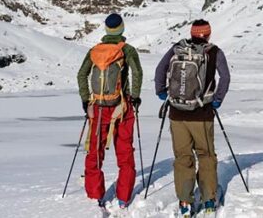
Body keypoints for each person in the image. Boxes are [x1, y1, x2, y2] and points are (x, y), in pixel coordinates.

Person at [154, 19, 231, 216]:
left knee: (183, 157)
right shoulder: (214, 52)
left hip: (177, 113)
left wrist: (162, 93)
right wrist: (217, 99)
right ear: (208, 34)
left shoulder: (177, 48)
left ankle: (185, 202)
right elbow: (225, 77)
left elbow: (160, 70)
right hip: (202, 114)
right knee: (206, 156)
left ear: (192, 32)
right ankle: (208, 200)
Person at [77, 13, 143, 211]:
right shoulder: (127, 50)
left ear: (106, 30)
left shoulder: (94, 51)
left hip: (97, 108)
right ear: (122, 29)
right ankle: (123, 198)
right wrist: (135, 97)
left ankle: (95, 195)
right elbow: (137, 72)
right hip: (122, 108)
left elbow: (82, 74)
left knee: (94, 152)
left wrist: (85, 99)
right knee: (124, 152)